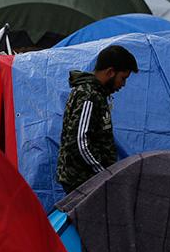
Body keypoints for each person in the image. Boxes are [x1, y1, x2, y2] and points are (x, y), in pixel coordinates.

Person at [56, 45, 139, 194]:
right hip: (82, 181)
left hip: (90, 179)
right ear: (110, 72)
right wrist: (104, 175)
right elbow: (81, 142)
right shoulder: (89, 96)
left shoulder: (98, 95)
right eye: (123, 78)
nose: (123, 84)